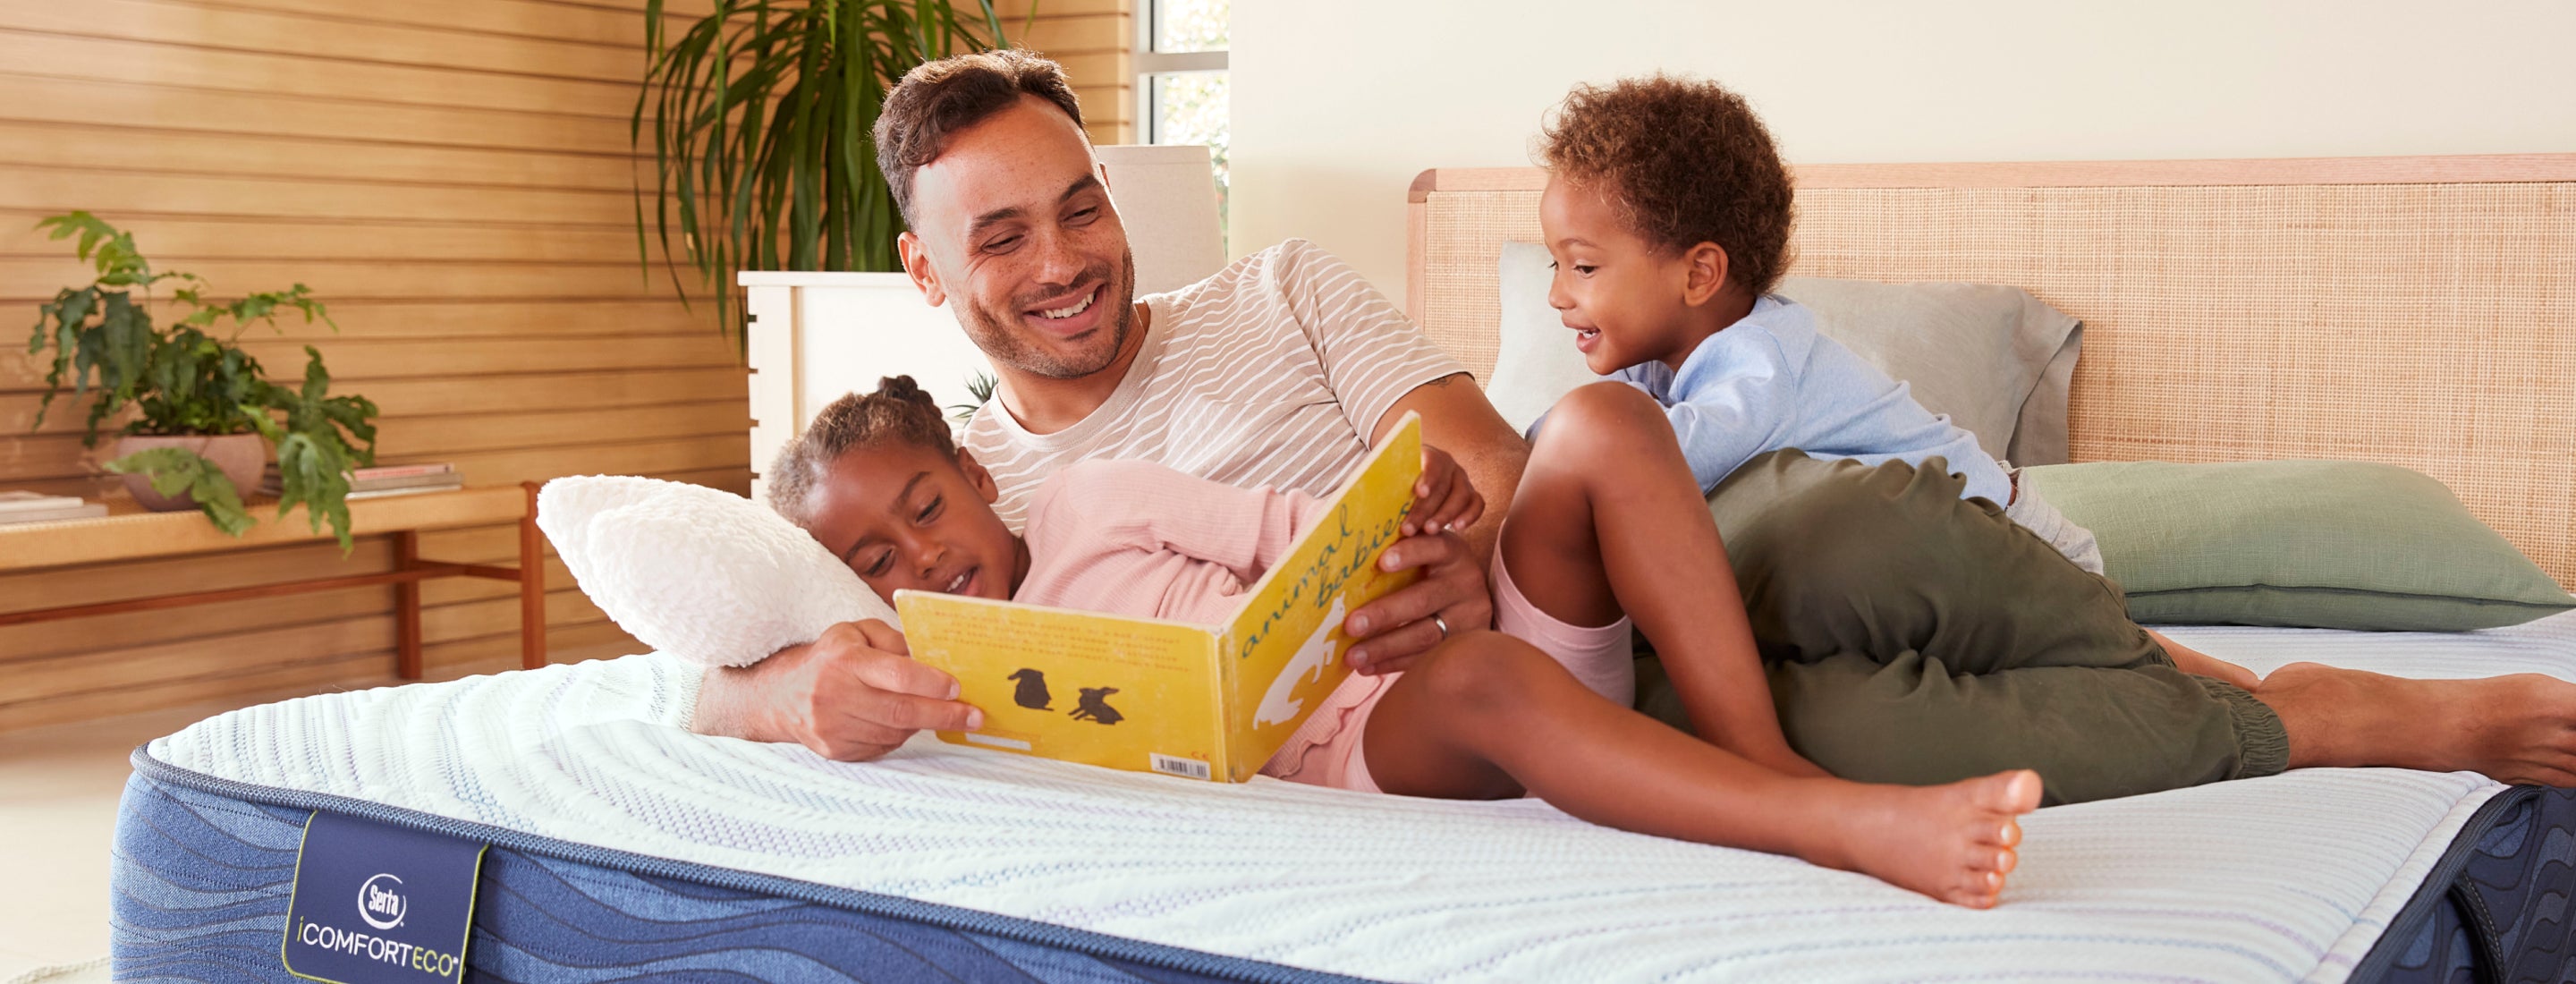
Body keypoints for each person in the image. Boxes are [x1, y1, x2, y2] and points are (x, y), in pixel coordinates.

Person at [1515, 72, 2576, 802]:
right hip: (1843, 598)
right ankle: (2268, 700)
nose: (1559, 293)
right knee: (2133, 665)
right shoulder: (1664, 369)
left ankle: (2293, 707)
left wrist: (1538, 472)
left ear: (1700, 273)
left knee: (2117, 655)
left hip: (1995, 536)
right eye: (1555, 265)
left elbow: (1661, 458)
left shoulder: (1755, 359)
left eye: (1582, 264)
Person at [767, 376, 2041, 908]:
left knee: (1598, 418)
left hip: (1406, 644)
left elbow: (1298, 531)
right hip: (1387, 740)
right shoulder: (942, 686)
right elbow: (735, 677)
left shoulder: (1094, 498)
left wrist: (1414, 527)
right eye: (878, 557)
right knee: (1479, 677)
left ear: (979, 479)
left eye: (925, 508)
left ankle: (1766, 763)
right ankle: (1848, 830)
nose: (922, 555)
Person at [689, 50, 1530, 763]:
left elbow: (1493, 462)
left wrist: (1470, 567)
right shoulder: (963, 515)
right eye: (1003, 239)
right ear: (925, 271)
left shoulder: (1285, 290)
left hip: (1481, 678)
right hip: (1333, 767)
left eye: (1081, 210)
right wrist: (789, 696)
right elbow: (709, 683)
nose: (1062, 266)